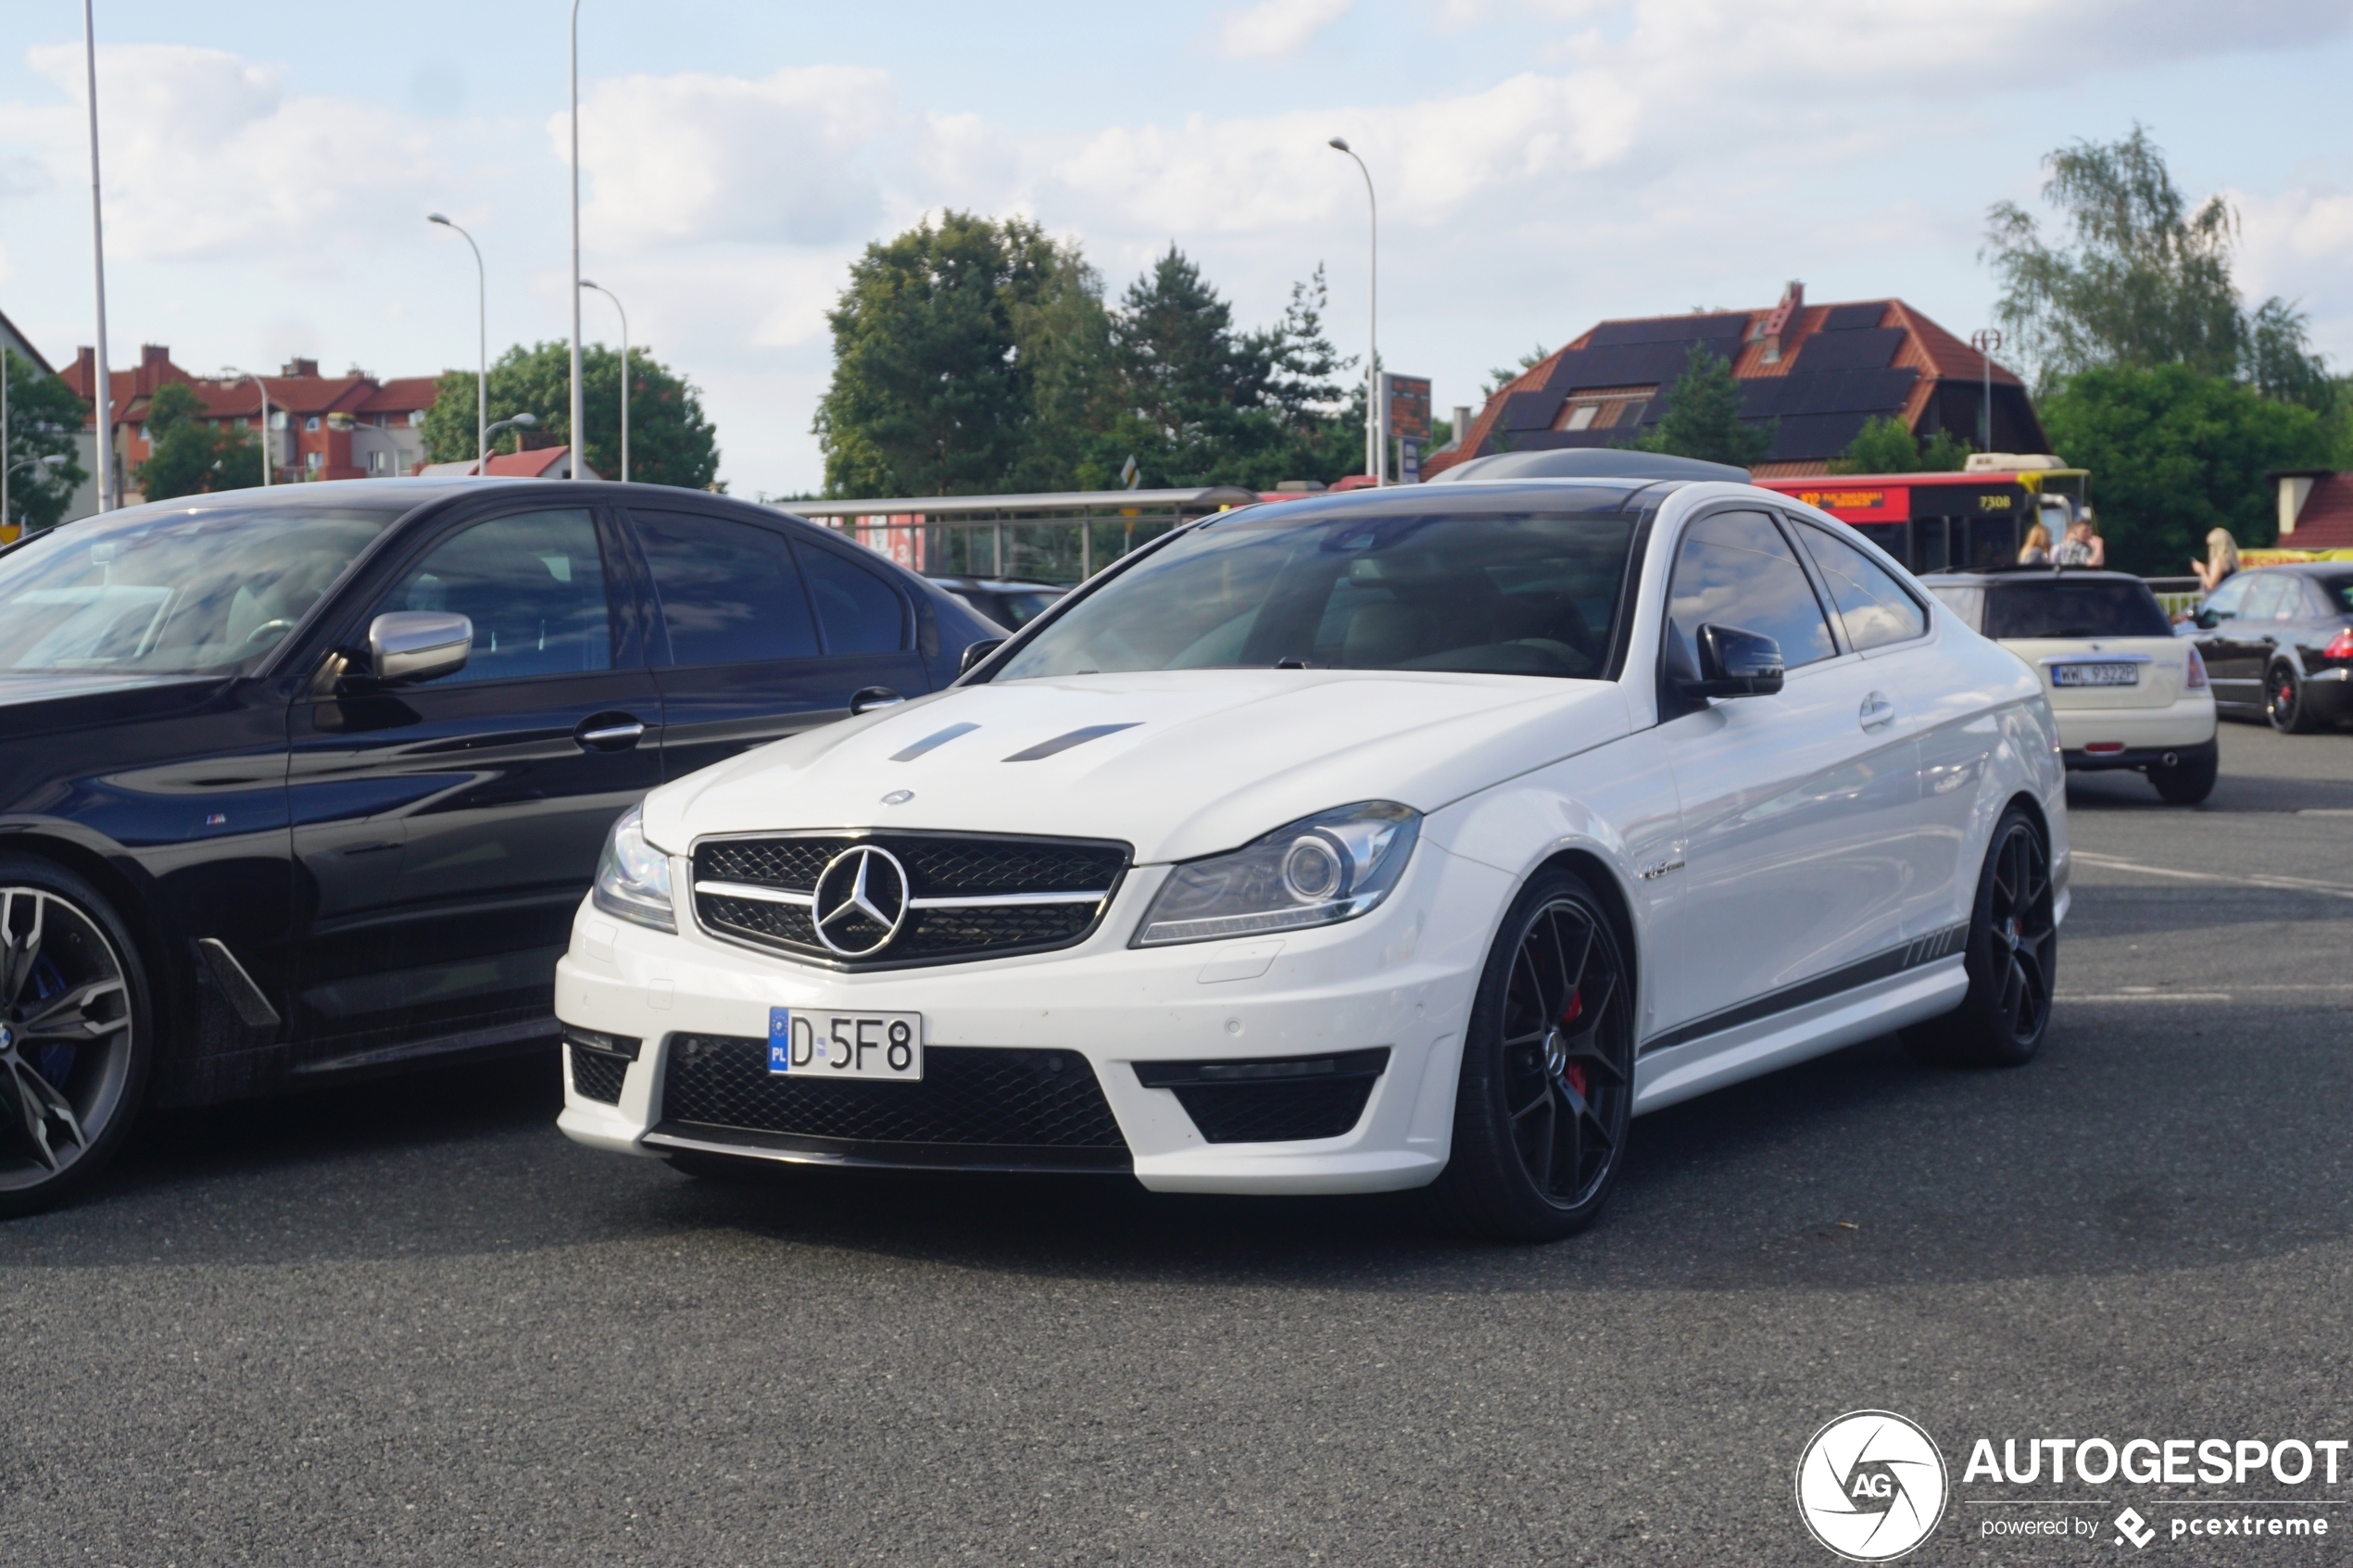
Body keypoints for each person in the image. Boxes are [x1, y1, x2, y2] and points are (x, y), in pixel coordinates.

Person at [2191, 527, 2238, 593]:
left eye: (2211, 545)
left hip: (2219, 597)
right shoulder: (2231, 560)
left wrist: (2202, 571)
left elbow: (2211, 585)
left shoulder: (2219, 560)